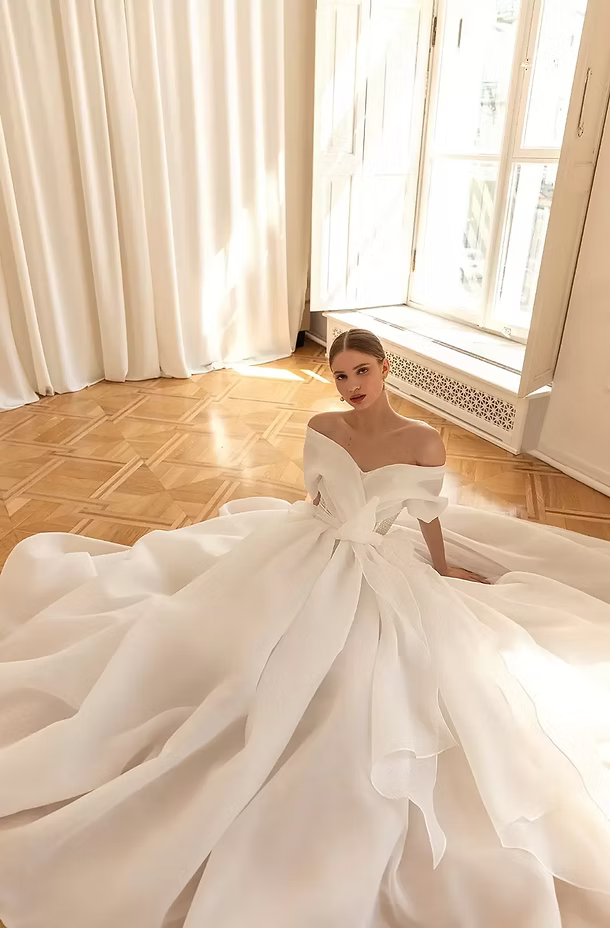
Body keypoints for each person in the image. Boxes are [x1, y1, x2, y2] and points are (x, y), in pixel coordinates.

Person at [0, 328, 609, 928]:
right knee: (225, 643)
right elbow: (316, 498)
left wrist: (444, 566)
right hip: (311, 544)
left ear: (384, 367)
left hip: (378, 558)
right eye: (340, 375)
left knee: (363, 675)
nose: (350, 386)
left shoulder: (424, 441)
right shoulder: (322, 428)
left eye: (361, 372)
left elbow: (424, 515)